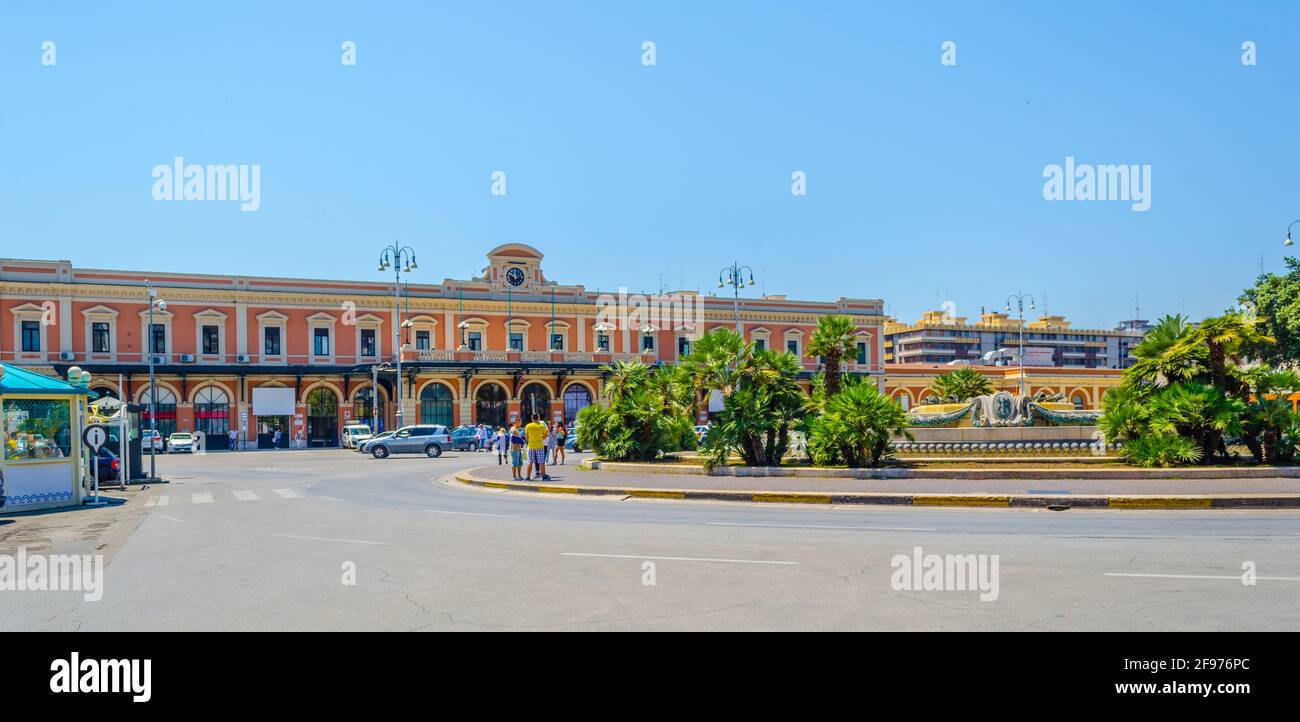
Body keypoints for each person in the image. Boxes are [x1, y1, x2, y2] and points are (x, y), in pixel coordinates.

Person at [524, 414, 550, 481]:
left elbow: (526, 437)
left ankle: (527, 477)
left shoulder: (528, 426)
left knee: (530, 462)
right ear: (538, 418)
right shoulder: (541, 426)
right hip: (539, 445)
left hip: (531, 445)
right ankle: (543, 476)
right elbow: (546, 435)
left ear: (531, 418)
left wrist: (530, 440)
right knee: (541, 461)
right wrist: (542, 438)